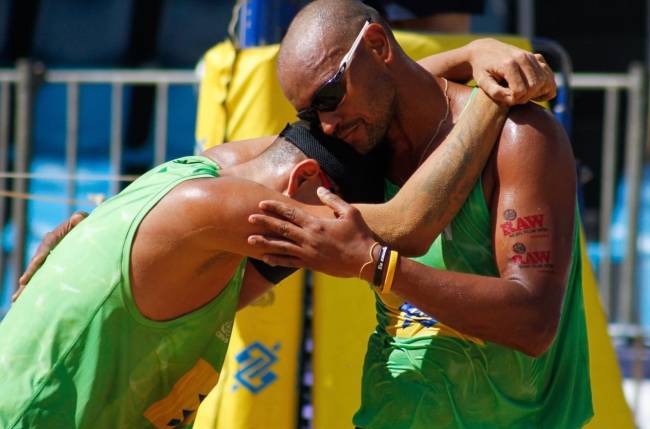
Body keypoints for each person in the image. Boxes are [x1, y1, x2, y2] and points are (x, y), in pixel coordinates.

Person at [8, 34, 554, 429]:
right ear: (306, 180)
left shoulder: (211, 173)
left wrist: (467, 54)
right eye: (319, 226)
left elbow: (350, 104)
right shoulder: (212, 206)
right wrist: (491, 96)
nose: (305, 256)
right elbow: (401, 231)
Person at [246, 1, 592, 428]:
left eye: (330, 96)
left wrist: (379, 266)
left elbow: (534, 322)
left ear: (377, 45)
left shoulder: (519, 137)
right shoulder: (360, 147)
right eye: (310, 113)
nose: (328, 124)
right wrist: (471, 52)